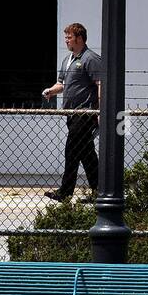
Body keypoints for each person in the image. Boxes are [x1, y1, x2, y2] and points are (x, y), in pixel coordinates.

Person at [41, 23, 103, 201]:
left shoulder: (90, 58)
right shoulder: (68, 60)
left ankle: (65, 192)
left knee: (72, 151)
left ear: (80, 38)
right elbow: (62, 84)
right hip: (71, 114)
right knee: (86, 154)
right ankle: (99, 192)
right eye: (66, 37)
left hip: (84, 114)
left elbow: (100, 85)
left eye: (69, 37)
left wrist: (99, 111)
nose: (66, 40)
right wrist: (51, 91)